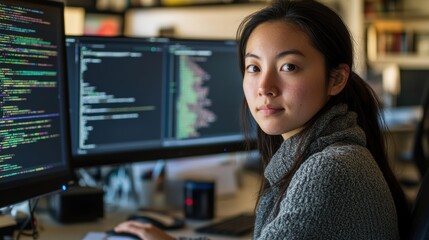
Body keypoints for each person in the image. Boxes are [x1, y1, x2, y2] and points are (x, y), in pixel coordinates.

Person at [112, 0, 411, 239]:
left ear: (336, 78)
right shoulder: (328, 153)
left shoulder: (329, 169)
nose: (264, 86)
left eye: (289, 66)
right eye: (253, 67)